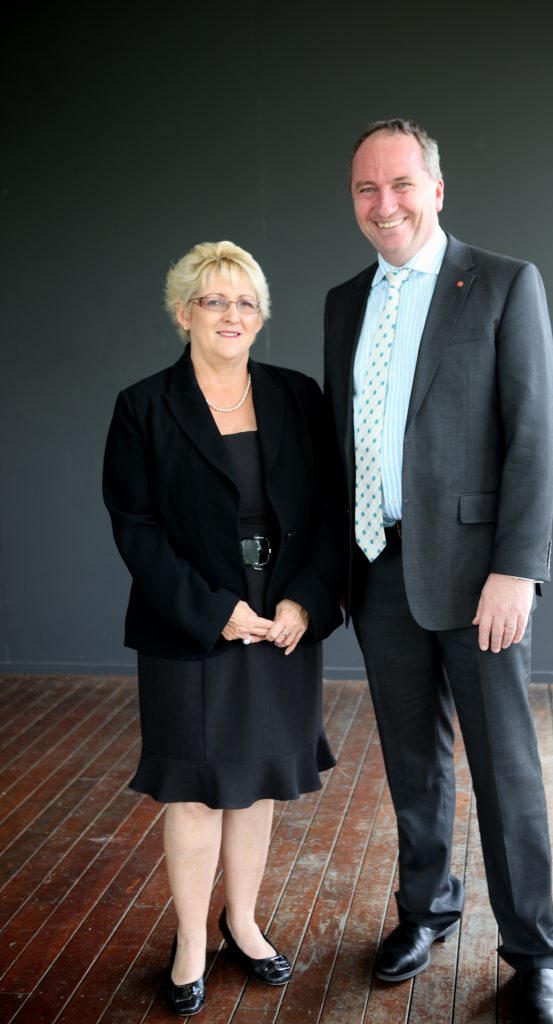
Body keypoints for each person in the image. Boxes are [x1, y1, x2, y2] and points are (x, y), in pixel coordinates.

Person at [323, 120, 553, 1024]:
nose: (382, 204)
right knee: (410, 761)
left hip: (479, 577)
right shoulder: (344, 302)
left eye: (398, 185)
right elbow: (340, 446)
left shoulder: (503, 283)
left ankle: (537, 950)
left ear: (435, 189)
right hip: (378, 566)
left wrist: (516, 569)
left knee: (505, 767)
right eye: (364, 190)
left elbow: (535, 436)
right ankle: (425, 910)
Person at [103, 241, 341, 1016]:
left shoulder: (298, 396)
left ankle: (241, 924)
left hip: (282, 621)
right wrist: (215, 611)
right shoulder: (142, 406)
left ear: (262, 316)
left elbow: (329, 513)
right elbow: (135, 529)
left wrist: (304, 601)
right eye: (214, 301)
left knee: (259, 786)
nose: (231, 314)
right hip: (193, 624)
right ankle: (191, 940)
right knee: (199, 793)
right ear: (184, 314)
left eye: (245, 302)